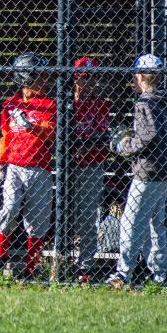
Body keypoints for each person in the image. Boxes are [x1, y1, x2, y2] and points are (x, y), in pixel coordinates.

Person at [106, 54, 167, 288]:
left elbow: (148, 135)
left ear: (139, 76)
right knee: (156, 223)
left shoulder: (144, 102)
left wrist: (125, 146)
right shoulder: (164, 99)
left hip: (147, 171)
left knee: (130, 221)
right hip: (165, 169)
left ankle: (123, 273)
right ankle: (159, 275)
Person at [0, 52, 56, 280]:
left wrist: (31, 126)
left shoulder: (50, 104)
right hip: (14, 167)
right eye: (38, 76)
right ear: (25, 78)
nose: (44, 80)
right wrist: (0, 161)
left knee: (37, 221)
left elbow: (51, 133)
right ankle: (1, 259)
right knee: (9, 210)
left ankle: (31, 270)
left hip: (40, 168)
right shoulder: (11, 104)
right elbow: (5, 136)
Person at [71, 57, 110, 283]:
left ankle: (84, 267)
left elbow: (100, 136)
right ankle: (60, 260)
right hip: (67, 167)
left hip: (91, 165)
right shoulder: (66, 102)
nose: (87, 83)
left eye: (92, 78)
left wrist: (79, 145)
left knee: (87, 217)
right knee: (62, 215)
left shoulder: (101, 104)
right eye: (83, 78)